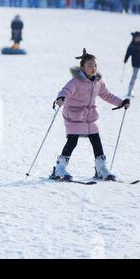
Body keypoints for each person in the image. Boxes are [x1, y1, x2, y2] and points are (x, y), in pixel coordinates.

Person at [53, 49, 130, 181]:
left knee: (96, 139)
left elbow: (107, 95)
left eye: (95, 65)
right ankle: (60, 168)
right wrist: (61, 98)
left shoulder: (98, 82)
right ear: (82, 67)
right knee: (73, 140)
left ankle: (101, 168)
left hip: (90, 116)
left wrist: (121, 102)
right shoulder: (76, 81)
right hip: (74, 115)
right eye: (89, 65)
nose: (93, 68)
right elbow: (65, 90)